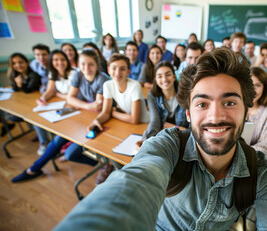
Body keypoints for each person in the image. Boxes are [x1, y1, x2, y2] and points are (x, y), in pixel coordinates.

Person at [55, 48, 267, 231]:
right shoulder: (168, 146)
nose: (215, 115)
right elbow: (136, 181)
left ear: (246, 112)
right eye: (202, 103)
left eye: (230, 102)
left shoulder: (264, 174)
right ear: (189, 115)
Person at [11, 50, 109, 183]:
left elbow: (97, 107)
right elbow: (71, 98)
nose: (86, 68)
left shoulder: (102, 79)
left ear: (97, 65)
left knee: (70, 154)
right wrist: (87, 106)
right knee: (57, 141)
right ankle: (34, 169)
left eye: (91, 64)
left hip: (100, 119)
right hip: (82, 115)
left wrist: (83, 105)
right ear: (79, 65)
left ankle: (104, 164)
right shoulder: (79, 75)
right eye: (83, 64)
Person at [87, 54, 149, 184]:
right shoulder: (108, 85)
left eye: (122, 69)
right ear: (109, 69)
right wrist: (96, 121)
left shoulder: (135, 86)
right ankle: (121, 176)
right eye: (114, 68)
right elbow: (105, 112)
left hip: (143, 125)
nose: (117, 72)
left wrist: (113, 113)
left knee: (130, 158)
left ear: (128, 71)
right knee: (115, 152)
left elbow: (135, 119)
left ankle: (131, 179)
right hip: (126, 124)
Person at [35, 50, 77, 155]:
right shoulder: (52, 73)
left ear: (67, 60)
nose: (60, 62)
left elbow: (71, 96)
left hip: (75, 106)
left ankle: (58, 148)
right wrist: (43, 98)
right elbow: (50, 91)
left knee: (61, 132)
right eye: (56, 60)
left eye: (62, 59)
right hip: (62, 104)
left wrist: (57, 94)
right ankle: (49, 145)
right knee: (38, 120)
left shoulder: (74, 73)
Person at [142, 61, 188, 140]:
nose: (164, 79)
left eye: (168, 75)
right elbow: (154, 121)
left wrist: (175, 127)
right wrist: (147, 142)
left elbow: (191, 130)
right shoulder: (152, 95)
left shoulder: (185, 95)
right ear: (156, 80)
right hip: (163, 137)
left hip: (183, 138)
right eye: (160, 76)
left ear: (174, 77)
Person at [247, 67, 267, 159]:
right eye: (249, 84)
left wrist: (239, 154)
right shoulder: (232, 106)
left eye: (258, 85)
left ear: (264, 88)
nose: (253, 90)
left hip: (252, 162)